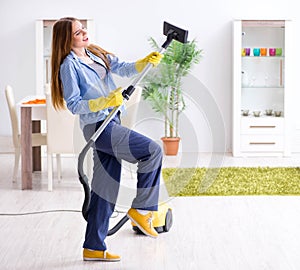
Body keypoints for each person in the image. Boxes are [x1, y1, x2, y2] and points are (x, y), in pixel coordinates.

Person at [51, 17, 163, 262]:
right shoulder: (69, 66)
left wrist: (143, 62)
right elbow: (74, 104)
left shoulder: (95, 53)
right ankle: (143, 209)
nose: (84, 33)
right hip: (97, 126)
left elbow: (121, 67)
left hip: (112, 122)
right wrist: (103, 102)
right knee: (152, 151)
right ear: (66, 40)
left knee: (105, 188)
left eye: (83, 29)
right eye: (78, 32)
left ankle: (93, 246)